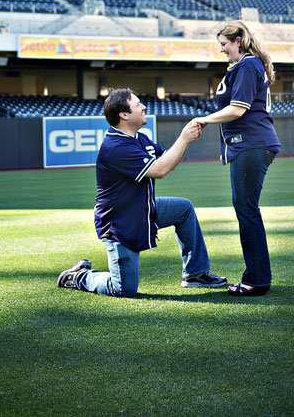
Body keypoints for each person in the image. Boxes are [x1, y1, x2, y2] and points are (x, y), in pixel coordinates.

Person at [57, 87, 226, 297]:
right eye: (138, 104)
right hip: (120, 223)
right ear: (124, 114)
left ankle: (195, 274)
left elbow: (168, 160)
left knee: (183, 209)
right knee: (123, 289)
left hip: (143, 210)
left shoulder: (139, 138)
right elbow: (160, 170)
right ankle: (80, 276)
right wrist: (184, 138)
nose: (144, 106)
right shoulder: (115, 146)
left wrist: (188, 139)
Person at [194, 21, 280, 297]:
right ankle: (258, 276)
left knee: (246, 210)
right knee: (246, 209)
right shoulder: (243, 67)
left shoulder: (248, 65)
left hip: (253, 144)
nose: (222, 50)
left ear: (239, 40)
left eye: (224, 44)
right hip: (246, 146)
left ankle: (256, 279)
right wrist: (226, 145)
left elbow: (238, 109)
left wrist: (203, 119)